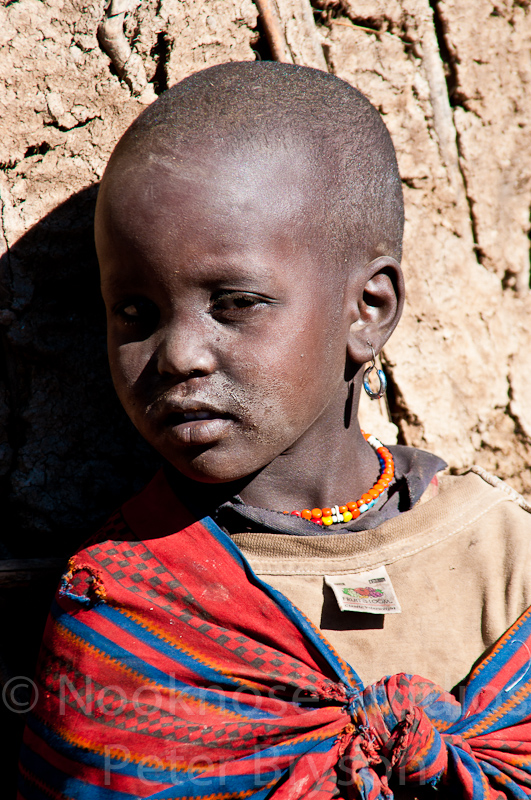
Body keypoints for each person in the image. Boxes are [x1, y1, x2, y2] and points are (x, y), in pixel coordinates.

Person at [18, 62, 531, 800]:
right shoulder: (127, 615)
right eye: (134, 313)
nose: (178, 355)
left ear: (368, 310)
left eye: (234, 303)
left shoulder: (507, 563)